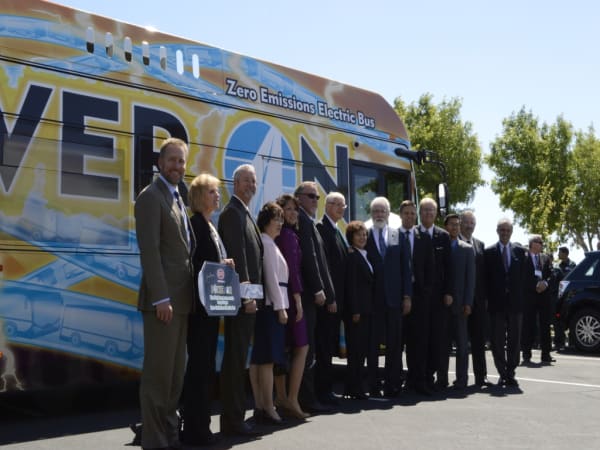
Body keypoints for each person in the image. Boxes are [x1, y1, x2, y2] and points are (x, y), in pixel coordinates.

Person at [134, 137, 195, 450]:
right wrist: (161, 298)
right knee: (158, 376)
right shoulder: (150, 197)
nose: (177, 166)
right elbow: (150, 251)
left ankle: (169, 435)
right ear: (160, 163)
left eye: (181, 161)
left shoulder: (177, 197)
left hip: (181, 301)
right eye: (172, 160)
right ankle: (154, 440)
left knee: (174, 376)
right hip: (164, 302)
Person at [180, 173, 233, 446]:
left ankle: (201, 425)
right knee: (199, 369)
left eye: (217, 191)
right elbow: (196, 265)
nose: (217, 195)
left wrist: (225, 265)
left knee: (206, 367)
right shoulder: (196, 225)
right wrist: (221, 266)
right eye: (212, 192)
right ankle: (196, 429)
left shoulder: (209, 224)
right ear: (200, 197)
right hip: (200, 310)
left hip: (210, 307)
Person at [218, 164, 263, 436]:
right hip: (240, 302)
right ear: (235, 183)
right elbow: (239, 258)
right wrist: (247, 298)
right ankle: (232, 421)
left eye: (254, 181)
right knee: (235, 362)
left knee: (239, 359)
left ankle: (235, 418)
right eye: (246, 181)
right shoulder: (232, 213)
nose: (251, 185)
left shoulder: (244, 213)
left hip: (248, 300)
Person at [294, 181, 335, 413]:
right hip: (309, 297)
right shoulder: (303, 220)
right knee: (306, 349)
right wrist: (319, 289)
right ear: (299, 197)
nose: (315, 201)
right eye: (311, 196)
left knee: (311, 349)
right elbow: (309, 258)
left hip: (313, 297)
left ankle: (308, 397)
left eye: (317, 197)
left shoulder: (308, 221)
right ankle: (306, 399)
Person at [250, 202, 289, 425]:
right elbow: (272, 278)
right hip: (272, 307)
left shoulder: (267, 242)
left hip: (267, 306)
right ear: (266, 221)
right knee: (266, 360)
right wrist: (280, 307)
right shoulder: (266, 242)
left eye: (281, 219)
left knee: (259, 359)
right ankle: (268, 407)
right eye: (277, 219)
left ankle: (260, 405)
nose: (280, 223)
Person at [273, 194, 309, 419]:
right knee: (301, 347)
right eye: (288, 209)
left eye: (296, 209)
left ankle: (282, 397)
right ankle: (292, 399)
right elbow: (292, 270)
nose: (294, 213)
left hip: (281, 297)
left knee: (284, 348)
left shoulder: (281, 234)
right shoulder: (288, 236)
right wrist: (297, 299)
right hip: (290, 298)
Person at [484, 218, 531, 387]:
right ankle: (502, 373)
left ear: (511, 232)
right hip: (496, 304)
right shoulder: (489, 252)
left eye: (508, 230)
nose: (505, 233)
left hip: (515, 304)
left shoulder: (520, 252)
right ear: (497, 231)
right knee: (497, 341)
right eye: (502, 230)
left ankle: (511, 372)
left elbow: (525, 278)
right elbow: (485, 279)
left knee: (514, 340)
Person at [399, 200, 435, 396]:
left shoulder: (424, 238)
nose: (410, 216)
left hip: (420, 297)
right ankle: (401, 381)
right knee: (401, 340)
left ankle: (418, 381)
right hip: (399, 296)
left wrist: (426, 291)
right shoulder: (394, 236)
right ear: (401, 215)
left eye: (413, 213)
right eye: (406, 213)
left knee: (420, 341)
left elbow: (430, 268)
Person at [316, 192, 348, 405]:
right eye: (337, 204)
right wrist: (330, 298)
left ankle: (326, 389)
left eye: (343, 205)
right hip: (329, 302)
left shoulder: (336, 229)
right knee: (324, 348)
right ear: (327, 205)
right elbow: (325, 267)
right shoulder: (322, 228)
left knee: (329, 346)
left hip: (338, 301)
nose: (341, 208)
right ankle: (323, 391)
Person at [419, 198, 453, 391]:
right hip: (418, 296)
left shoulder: (443, 236)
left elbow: (449, 267)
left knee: (436, 338)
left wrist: (448, 292)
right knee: (419, 338)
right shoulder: (414, 233)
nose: (428, 213)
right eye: (425, 210)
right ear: (420, 213)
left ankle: (429, 376)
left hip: (438, 297)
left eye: (431, 210)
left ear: (435, 213)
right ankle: (418, 377)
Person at [379, 199, 413, 398]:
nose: (379, 214)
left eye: (383, 211)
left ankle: (393, 383)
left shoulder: (395, 235)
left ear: (389, 213)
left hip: (395, 299)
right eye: (376, 211)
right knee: (375, 345)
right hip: (376, 300)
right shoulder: (367, 234)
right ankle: (375, 383)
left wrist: (407, 296)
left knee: (394, 344)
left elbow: (405, 268)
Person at [459, 210, 492, 387]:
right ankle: (461, 378)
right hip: (460, 300)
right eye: (466, 222)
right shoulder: (453, 242)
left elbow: (484, 275)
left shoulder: (480, 244)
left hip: (478, 301)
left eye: (472, 223)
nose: (469, 226)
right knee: (462, 342)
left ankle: (481, 377)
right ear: (460, 223)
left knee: (479, 341)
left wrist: (485, 298)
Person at [443, 214, 475, 390]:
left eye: (457, 224)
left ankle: (462, 379)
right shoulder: (440, 245)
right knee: (442, 345)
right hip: (442, 305)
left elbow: (470, 279)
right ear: (445, 227)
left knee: (462, 346)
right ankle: (441, 379)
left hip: (461, 305)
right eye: (451, 224)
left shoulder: (467, 249)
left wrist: (468, 303)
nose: (455, 227)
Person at [343, 220, 374, 399]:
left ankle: (354, 386)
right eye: (358, 235)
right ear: (351, 237)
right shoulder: (352, 256)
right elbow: (351, 285)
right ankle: (354, 388)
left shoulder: (364, 255)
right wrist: (354, 310)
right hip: (357, 312)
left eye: (364, 234)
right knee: (355, 351)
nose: (362, 237)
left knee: (361, 350)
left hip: (366, 310)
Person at [522, 235, 555, 365]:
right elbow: (522, 277)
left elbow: (551, 275)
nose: (541, 244)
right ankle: (526, 354)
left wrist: (545, 283)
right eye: (538, 242)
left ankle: (546, 354)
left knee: (545, 325)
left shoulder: (545, 258)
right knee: (528, 325)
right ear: (532, 244)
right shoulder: (524, 258)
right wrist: (535, 285)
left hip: (543, 297)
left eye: (541, 242)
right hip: (529, 296)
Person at [553, 246, 576, 350]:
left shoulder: (573, 265)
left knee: (570, 319)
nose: (558, 254)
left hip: (570, 296)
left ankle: (572, 343)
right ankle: (559, 342)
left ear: (565, 253)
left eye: (560, 252)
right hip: (559, 297)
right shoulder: (557, 266)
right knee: (558, 320)